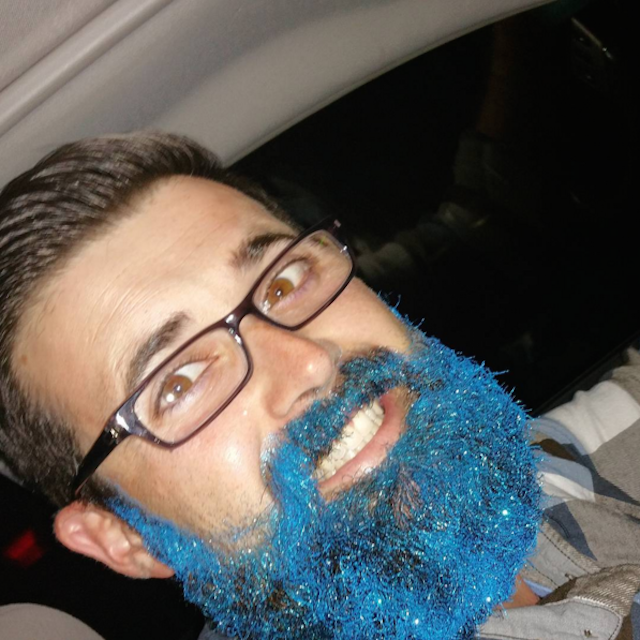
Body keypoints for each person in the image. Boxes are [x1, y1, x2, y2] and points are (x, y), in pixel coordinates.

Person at [0, 132, 638, 640]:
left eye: (283, 283)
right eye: (179, 381)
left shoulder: (557, 468)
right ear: (125, 539)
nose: (310, 362)